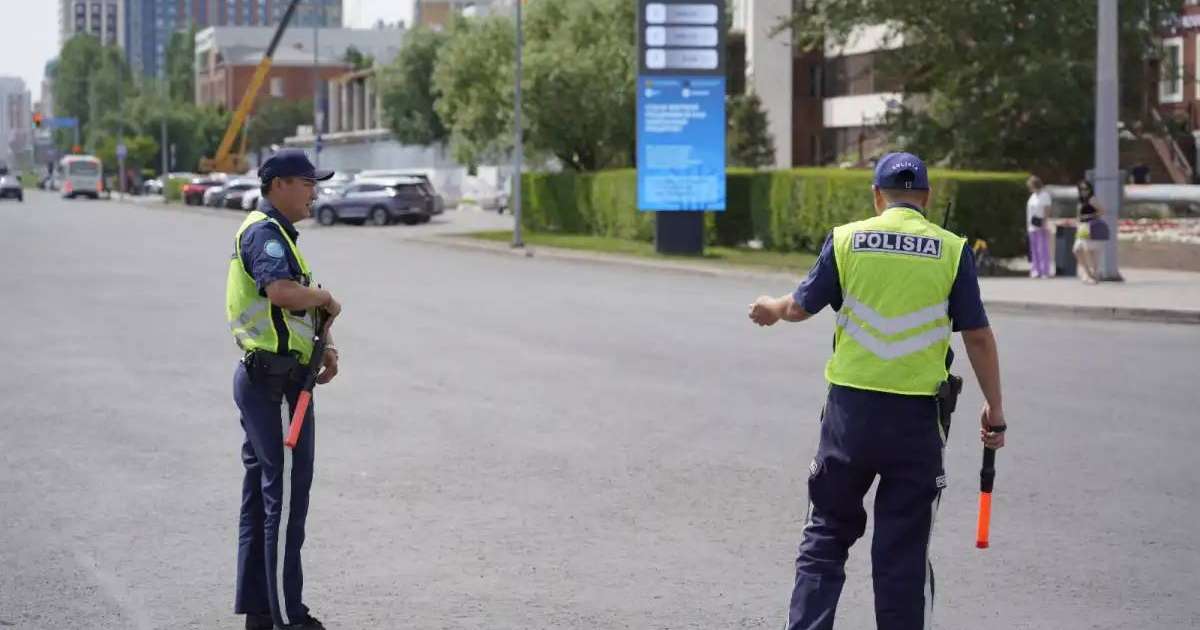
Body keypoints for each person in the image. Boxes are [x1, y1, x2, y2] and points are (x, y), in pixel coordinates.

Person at [747, 152, 1007, 630]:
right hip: (916, 422)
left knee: (825, 536)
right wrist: (995, 408)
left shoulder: (847, 240)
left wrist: (770, 306)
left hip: (850, 415)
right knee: (903, 554)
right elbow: (977, 337)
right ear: (926, 198)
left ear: (876, 196)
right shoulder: (952, 250)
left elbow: (799, 307)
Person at [228, 149, 341, 630]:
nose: (315, 190)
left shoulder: (280, 236)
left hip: (277, 381)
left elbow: (295, 308)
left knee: (262, 500)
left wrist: (327, 345)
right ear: (279, 185)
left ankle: (261, 612)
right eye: (307, 181)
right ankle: (285, 618)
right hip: (273, 386)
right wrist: (326, 299)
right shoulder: (264, 234)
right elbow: (282, 293)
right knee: (285, 502)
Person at [1072, 179, 1106, 284]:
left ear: (1090, 189)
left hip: (1090, 226)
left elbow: (1102, 211)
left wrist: (1090, 216)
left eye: (1086, 189)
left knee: (1089, 251)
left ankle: (1093, 275)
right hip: (1082, 227)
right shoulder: (1080, 200)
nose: (1084, 191)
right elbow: (1078, 215)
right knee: (1077, 250)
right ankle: (1088, 273)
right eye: (1081, 189)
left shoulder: (1092, 199)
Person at [1025, 175, 1052, 278]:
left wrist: (1044, 222)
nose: (1029, 187)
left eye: (1030, 185)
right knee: (1034, 249)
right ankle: (1036, 270)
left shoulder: (1045, 195)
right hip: (1032, 226)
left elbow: (1047, 209)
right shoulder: (1033, 196)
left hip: (1041, 225)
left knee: (1043, 249)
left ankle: (1045, 271)